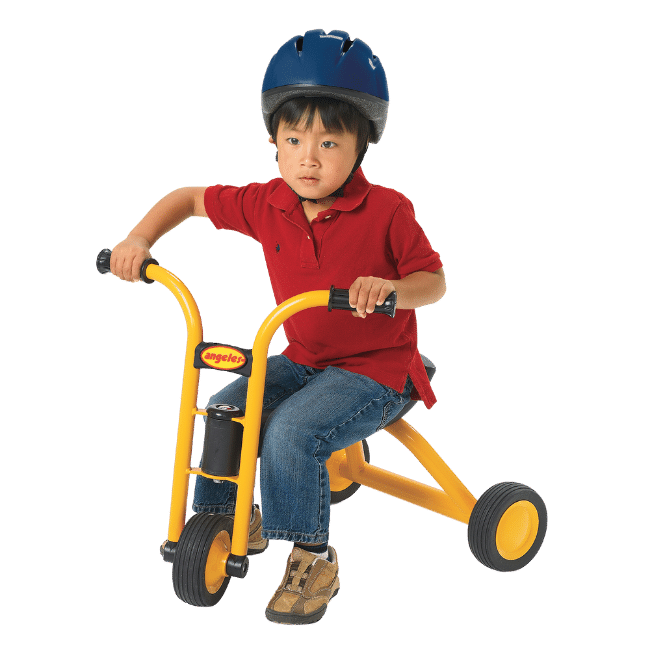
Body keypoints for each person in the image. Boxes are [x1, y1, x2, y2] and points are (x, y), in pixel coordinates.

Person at [110, 29, 446, 625]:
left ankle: (315, 556)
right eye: (294, 139)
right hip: (302, 357)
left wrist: (392, 290)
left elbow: (434, 280)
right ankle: (227, 517)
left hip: (375, 370)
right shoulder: (268, 202)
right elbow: (189, 199)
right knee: (225, 406)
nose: (308, 158)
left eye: (329, 142)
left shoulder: (388, 210)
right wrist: (139, 239)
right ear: (273, 141)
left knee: (291, 431)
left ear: (362, 145)